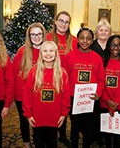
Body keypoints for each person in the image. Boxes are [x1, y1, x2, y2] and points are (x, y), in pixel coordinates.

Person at [23, 41, 70, 148]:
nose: (48, 54)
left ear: (56, 54)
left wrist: (64, 114)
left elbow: (66, 96)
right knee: (38, 142)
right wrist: (28, 114)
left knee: (52, 143)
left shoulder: (62, 73)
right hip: (37, 118)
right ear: (40, 54)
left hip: (54, 118)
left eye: (51, 51)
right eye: (45, 51)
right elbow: (27, 95)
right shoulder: (33, 72)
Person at [65, 28, 105, 148]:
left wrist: (98, 93)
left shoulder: (97, 58)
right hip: (74, 98)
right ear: (78, 39)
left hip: (90, 99)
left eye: (88, 38)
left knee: (89, 127)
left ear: (92, 41)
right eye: (82, 38)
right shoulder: (70, 56)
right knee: (75, 126)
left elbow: (101, 79)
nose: (85, 41)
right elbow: (65, 78)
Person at [13, 23, 46, 148]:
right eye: (33, 34)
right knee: (24, 121)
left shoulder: (48, 50)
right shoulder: (22, 51)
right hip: (22, 94)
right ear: (29, 36)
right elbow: (15, 73)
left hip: (39, 95)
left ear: (43, 35)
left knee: (40, 120)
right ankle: (27, 144)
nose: (36, 37)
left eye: (39, 34)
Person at [47, 11, 77, 146]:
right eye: (61, 21)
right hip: (51, 80)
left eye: (66, 22)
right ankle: (51, 135)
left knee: (65, 109)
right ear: (55, 21)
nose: (63, 24)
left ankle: (63, 136)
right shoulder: (47, 38)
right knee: (52, 109)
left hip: (68, 82)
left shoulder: (74, 40)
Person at [101, 35, 120, 148]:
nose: (115, 47)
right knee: (107, 135)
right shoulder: (102, 61)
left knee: (117, 136)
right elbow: (100, 84)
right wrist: (108, 101)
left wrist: (115, 103)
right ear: (109, 46)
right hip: (104, 102)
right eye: (113, 44)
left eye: (118, 45)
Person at [90, 19, 112, 146]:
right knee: (94, 112)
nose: (103, 32)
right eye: (101, 30)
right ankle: (95, 135)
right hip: (94, 83)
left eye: (106, 30)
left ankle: (104, 135)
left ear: (109, 33)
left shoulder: (112, 47)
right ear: (97, 32)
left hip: (109, 84)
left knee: (105, 110)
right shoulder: (91, 46)